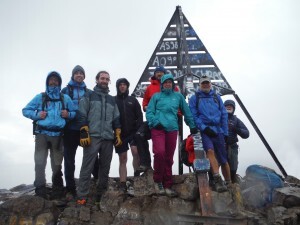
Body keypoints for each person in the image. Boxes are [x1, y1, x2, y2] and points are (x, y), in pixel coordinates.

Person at [22, 71, 76, 199]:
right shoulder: (40, 97)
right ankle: (40, 189)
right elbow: (25, 110)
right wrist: (37, 115)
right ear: (47, 82)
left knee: (57, 164)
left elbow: (74, 112)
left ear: (59, 82)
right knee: (39, 162)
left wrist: (68, 114)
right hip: (41, 134)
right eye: (51, 80)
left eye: (56, 80)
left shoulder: (65, 98)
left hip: (58, 135)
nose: (53, 82)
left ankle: (57, 189)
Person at [146, 73, 197, 197]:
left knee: (169, 158)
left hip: (172, 128)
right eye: (165, 82)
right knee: (159, 153)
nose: (168, 84)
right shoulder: (156, 96)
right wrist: (154, 122)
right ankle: (158, 181)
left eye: (170, 82)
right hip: (158, 128)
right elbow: (149, 111)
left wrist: (192, 125)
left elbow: (187, 111)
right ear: (162, 84)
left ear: (172, 84)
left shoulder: (178, 96)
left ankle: (167, 185)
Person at [76, 70, 122, 205]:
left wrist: (117, 133)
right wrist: (84, 131)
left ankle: (101, 194)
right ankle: (82, 196)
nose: (104, 81)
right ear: (97, 80)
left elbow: (116, 118)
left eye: (107, 79)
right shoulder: (89, 95)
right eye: (102, 78)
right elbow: (81, 113)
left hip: (108, 137)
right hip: (93, 136)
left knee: (105, 167)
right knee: (87, 166)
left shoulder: (112, 99)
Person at [188, 75, 230, 192]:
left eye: (207, 83)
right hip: (205, 131)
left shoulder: (217, 97)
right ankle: (217, 178)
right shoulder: (195, 98)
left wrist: (225, 132)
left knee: (223, 158)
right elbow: (194, 115)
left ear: (210, 84)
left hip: (219, 130)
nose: (205, 85)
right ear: (199, 85)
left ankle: (228, 183)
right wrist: (204, 128)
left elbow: (224, 114)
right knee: (210, 151)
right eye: (203, 83)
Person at [136, 65, 180, 173]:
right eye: (157, 72)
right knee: (139, 135)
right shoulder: (150, 88)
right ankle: (146, 163)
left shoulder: (174, 88)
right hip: (153, 119)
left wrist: (177, 114)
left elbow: (179, 104)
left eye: (161, 72)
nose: (159, 74)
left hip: (169, 122)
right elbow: (145, 104)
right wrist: (149, 108)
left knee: (165, 151)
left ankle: (165, 174)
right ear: (154, 74)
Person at [61, 65, 92, 200]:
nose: (79, 75)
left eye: (81, 73)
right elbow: (59, 107)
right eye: (77, 73)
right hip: (69, 130)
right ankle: (70, 189)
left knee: (92, 157)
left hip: (85, 129)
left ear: (84, 76)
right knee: (69, 160)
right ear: (73, 75)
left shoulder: (89, 92)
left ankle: (94, 182)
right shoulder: (65, 90)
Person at [115, 78, 143, 192]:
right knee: (123, 158)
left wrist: (139, 130)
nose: (122, 86)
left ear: (127, 86)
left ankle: (136, 175)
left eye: (124, 85)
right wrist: (115, 130)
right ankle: (122, 182)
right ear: (117, 87)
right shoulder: (113, 100)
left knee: (135, 152)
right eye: (120, 85)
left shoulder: (133, 100)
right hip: (119, 134)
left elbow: (140, 116)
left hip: (133, 132)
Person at [224, 99, 250, 183]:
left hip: (232, 146)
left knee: (233, 166)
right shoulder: (219, 117)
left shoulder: (236, 120)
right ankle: (215, 182)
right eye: (227, 106)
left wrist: (236, 129)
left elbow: (246, 134)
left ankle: (232, 182)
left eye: (231, 106)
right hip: (220, 146)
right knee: (217, 164)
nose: (229, 107)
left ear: (234, 108)